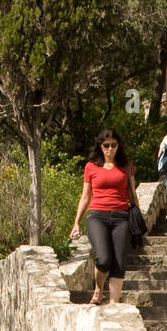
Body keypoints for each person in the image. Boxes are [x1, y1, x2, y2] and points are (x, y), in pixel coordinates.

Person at [70, 128, 140, 304]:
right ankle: (98, 289)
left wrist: (138, 219)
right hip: (97, 216)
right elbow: (86, 196)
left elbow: (132, 193)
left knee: (119, 261)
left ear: (118, 145)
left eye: (114, 145)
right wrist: (76, 222)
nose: (110, 149)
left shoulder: (126, 166)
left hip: (121, 217)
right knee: (103, 259)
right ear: (100, 146)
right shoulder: (91, 166)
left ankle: (114, 304)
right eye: (106, 145)